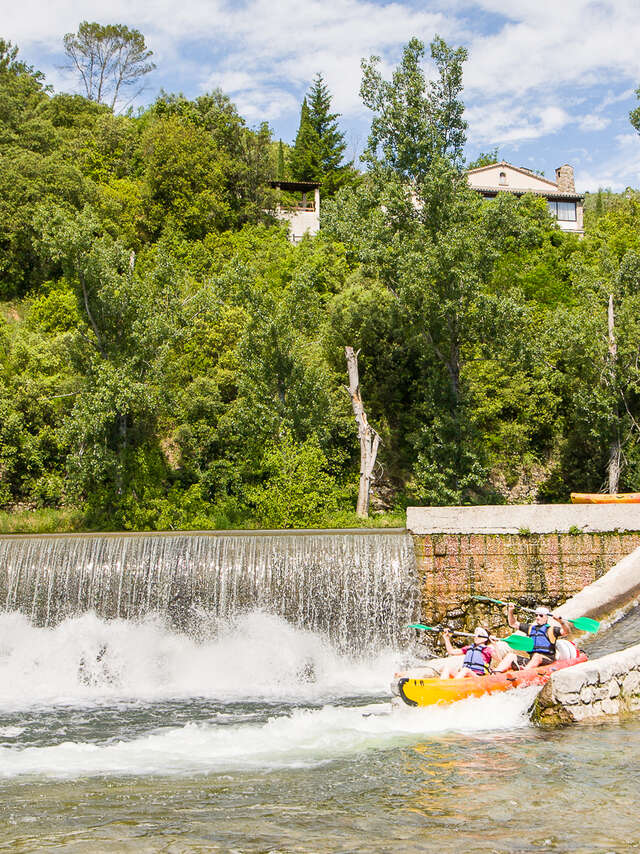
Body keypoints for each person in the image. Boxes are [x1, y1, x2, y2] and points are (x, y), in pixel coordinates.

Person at [495, 604, 572, 672]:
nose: (538, 617)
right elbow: (513, 623)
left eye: (541, 615)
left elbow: (566, 632)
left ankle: (524, 672)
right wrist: (510, 611)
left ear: (546, 617)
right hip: (532, 661)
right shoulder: (530, 628)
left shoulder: (552, 629)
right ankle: (496, 672)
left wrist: (561, 621)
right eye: (536, 615)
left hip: (547, 661)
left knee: (537, 656)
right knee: (510, 656)